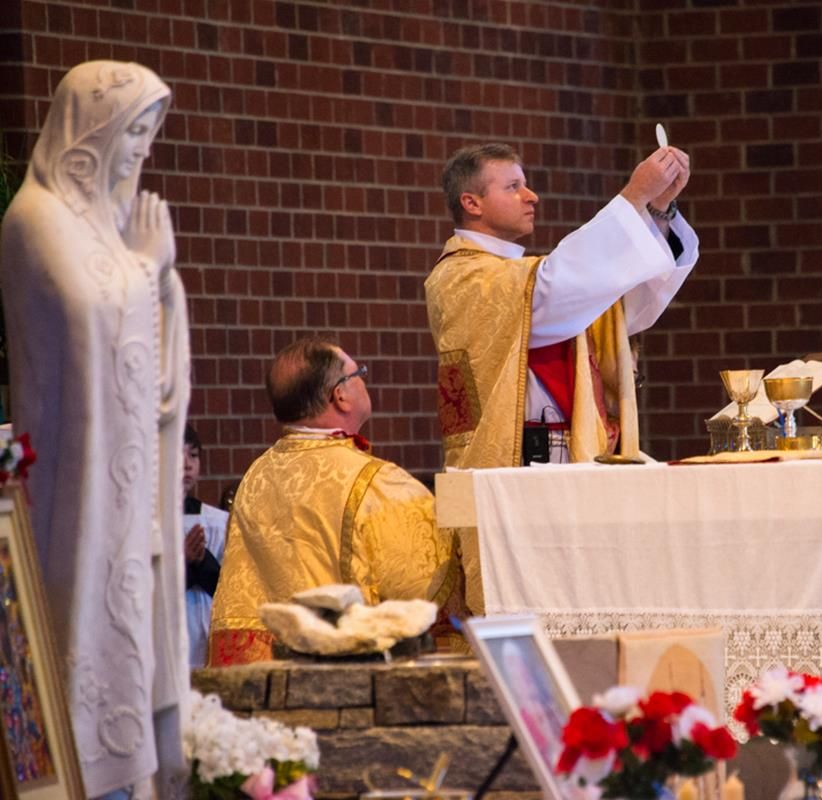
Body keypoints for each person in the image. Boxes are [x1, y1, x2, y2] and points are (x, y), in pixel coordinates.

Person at [0, 61, 191, 798]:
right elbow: (84, 318)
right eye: (135, 129)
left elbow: (156, 372)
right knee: (85, 651)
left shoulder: (106, 229)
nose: (144, 147)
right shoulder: (35, 218)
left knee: (141, 656)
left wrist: (156, 281)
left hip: (130, 490)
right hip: (77, 487)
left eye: (152, 131)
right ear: (93, 132)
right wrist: (147, 270)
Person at [425, 142, 697, 468]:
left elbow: (619, 304)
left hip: (571, 451)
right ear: (472, 203)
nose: (531, 196)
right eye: (513, 187)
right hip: (517, 460)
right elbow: (555, 289)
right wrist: (634, 197)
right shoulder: (460, 278)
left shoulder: (514, 276)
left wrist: (657, 211)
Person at [208, 337, 459, 665]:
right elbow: (430, 594)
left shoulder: (256, 475)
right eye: (359, 374)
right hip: (341, 677)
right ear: (340, 394)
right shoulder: (377, 483)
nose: (363, 382)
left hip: (264, 675)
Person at [182, 424, 228, 669]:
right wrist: (183, 564)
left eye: (193, 455)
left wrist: (202, 562)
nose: (187, 463)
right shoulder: (145, 523)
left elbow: (226, 585)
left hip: (205, 626)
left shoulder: (217, 522)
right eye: (179, 454)